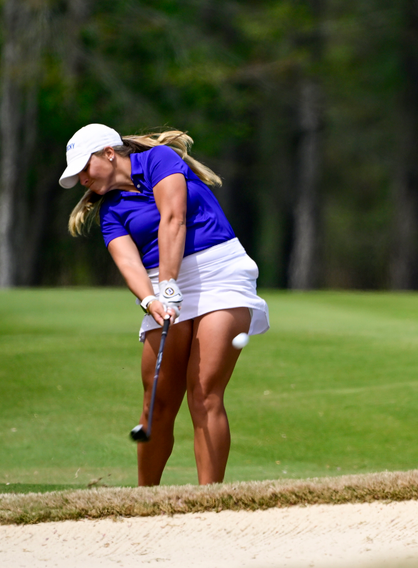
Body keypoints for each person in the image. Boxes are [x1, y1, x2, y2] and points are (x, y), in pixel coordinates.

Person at [61, 123, 269, 486]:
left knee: (203, 392)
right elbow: (128, 262)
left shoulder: (159, 159)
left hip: (218, 271)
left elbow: (174, 219)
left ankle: (210, 501)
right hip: (161, 283)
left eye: (84, 168)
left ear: (109, 153)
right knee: (156, 404)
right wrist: (150, 300)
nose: (81, 179)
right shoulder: (111, 210)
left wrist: (169, 284)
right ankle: (146, 500)